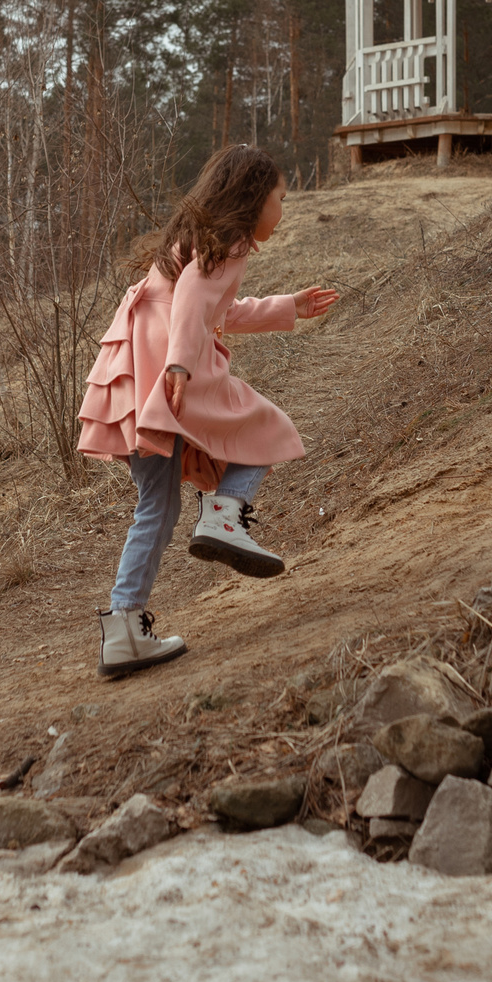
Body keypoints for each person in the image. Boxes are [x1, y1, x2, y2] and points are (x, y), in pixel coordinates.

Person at [76, 145, 339, 676]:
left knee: (158, 504)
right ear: (252, 199)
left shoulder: (202, 241)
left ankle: (124, 627)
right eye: (279, 199)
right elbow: (196, 297)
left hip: (139, 356)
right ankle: (222, 517)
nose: (282, 211)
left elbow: (216, 308)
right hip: (167, 363)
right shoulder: (231, 241)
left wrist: (289, 307)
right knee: (266, 428)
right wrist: (178, 365)